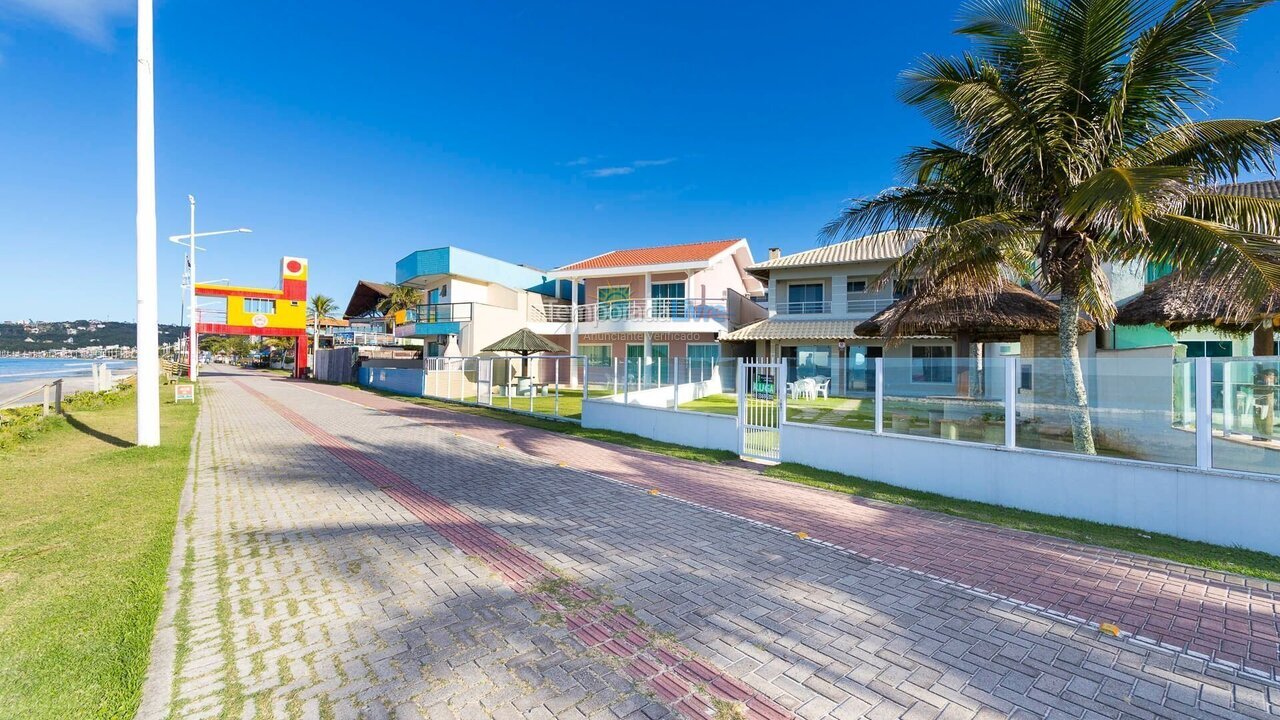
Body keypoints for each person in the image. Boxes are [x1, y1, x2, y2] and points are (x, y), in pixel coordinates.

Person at [1253, 367, 1276, 442]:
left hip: (1267, 400)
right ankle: (1260, 435)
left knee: (1267, 417)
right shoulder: (1257, 378)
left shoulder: (1270, 381)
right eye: (1270, 376)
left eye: (1272, 376)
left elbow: (1270, 388)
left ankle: (1267, 436)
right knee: (1258, 416)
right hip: (1259, 400)